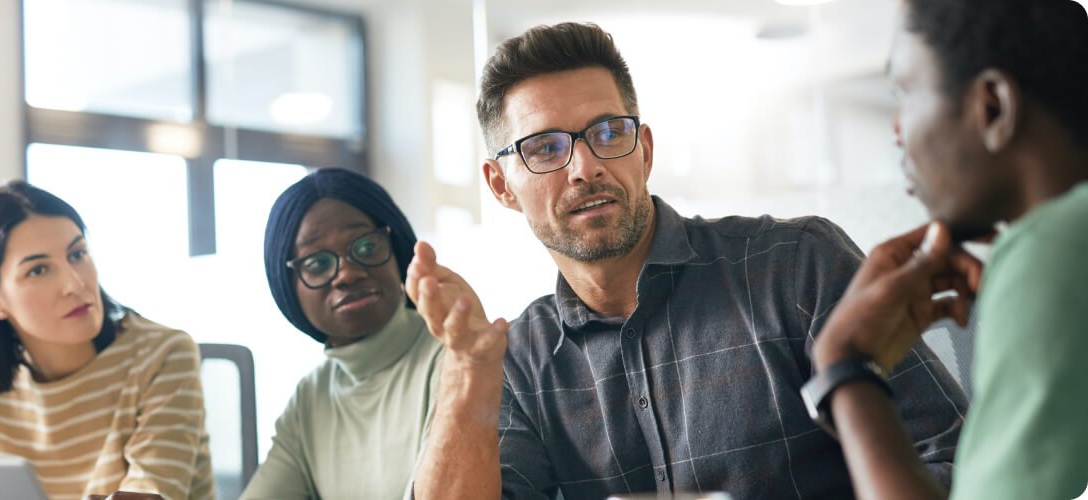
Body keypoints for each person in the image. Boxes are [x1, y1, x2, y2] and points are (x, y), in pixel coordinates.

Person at [407, 21, 969, 499]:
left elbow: (959, 463)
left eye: (609, 132)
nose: (585, 167)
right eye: (546, 148)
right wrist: (467, 370)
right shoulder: (520, 361)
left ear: (644, 151)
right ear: (501, 185)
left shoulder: (796, 266)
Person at [806, 1, 1088, 499]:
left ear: (993, 107)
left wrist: (844, 367)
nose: (896, 129)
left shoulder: (1050, 253)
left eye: (905, 92)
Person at [0, 180, 214, 499]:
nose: (75, 284)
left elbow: (149, 494)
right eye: (38, 270)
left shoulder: (163, 355)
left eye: (77, 254)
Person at [241, 167, 444, 499]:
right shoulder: (310, 397)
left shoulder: (455, 359)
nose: (347, 274)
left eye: (366, 247)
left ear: (397, 250)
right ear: (288, 289)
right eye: (317, 264)